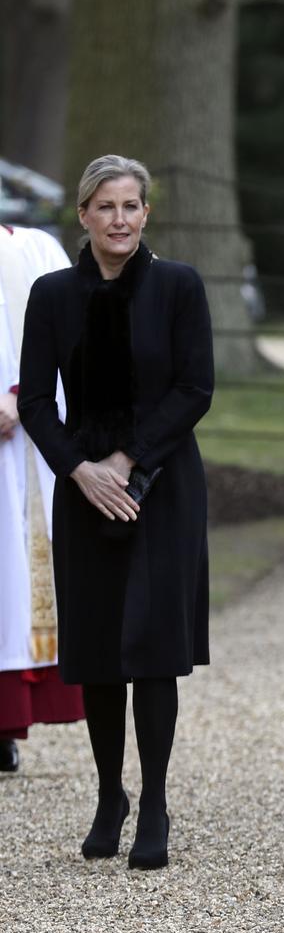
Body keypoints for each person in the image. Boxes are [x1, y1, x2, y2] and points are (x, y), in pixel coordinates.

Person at [18, 155, 214, 869]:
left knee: (155, 645)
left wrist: (128, 463)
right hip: (81, 484)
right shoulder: (52, 295)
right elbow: (36, 398)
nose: (120, 219)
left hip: (160, 479)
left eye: (132, 206)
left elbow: (196, 387)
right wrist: (78, 468)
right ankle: (110, 794)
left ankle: (155, 800)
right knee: (100, 646)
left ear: (146, 213)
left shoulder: (178, 287)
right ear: (83, 215)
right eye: (106, 207)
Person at [0, 225, 84, 773]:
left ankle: (2, 725)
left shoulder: (33, 249)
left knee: (12, 577)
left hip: (19, 440)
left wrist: (17, 396)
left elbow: (65, 337)